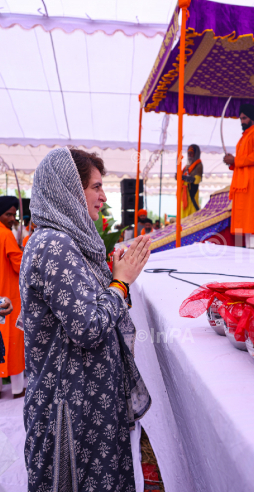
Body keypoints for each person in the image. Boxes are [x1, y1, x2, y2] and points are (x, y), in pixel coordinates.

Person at [20, 147, 151, 492]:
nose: (104, 196)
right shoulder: (55, 244)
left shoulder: (62, 242)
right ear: (69, 189)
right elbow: (88, 327)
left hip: (84, 406)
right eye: (95, 187)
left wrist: (113, 278)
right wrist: (120, 283)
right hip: (72, 413)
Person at [224, 103, 254, 249]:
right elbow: (242, 160)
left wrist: (235, 160)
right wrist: (232, 162)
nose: (242, 121)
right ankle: (246, 255)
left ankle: (253, 254)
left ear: (252, 119)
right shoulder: (242, 138)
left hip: (251, 185)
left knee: (251, 220)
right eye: (240, 119)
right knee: (243, 222)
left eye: (244, 118)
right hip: (240, 185)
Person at [0, 195, 24, 398]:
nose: (12, 219)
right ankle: (17, 389)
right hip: (8, 298)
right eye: (8, 214)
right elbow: (19, 264)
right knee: (13, 340)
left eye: (13, 215)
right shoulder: (6, 235)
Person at [181, 144, 203, 218]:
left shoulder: (199, 165)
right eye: (188, 153)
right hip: (183, 194)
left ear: (196, 154)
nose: (189, 155)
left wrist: (184, 177)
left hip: (192, 192)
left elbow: (196, 180)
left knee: (192, 214)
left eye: (191, 153)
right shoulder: (186, 167)